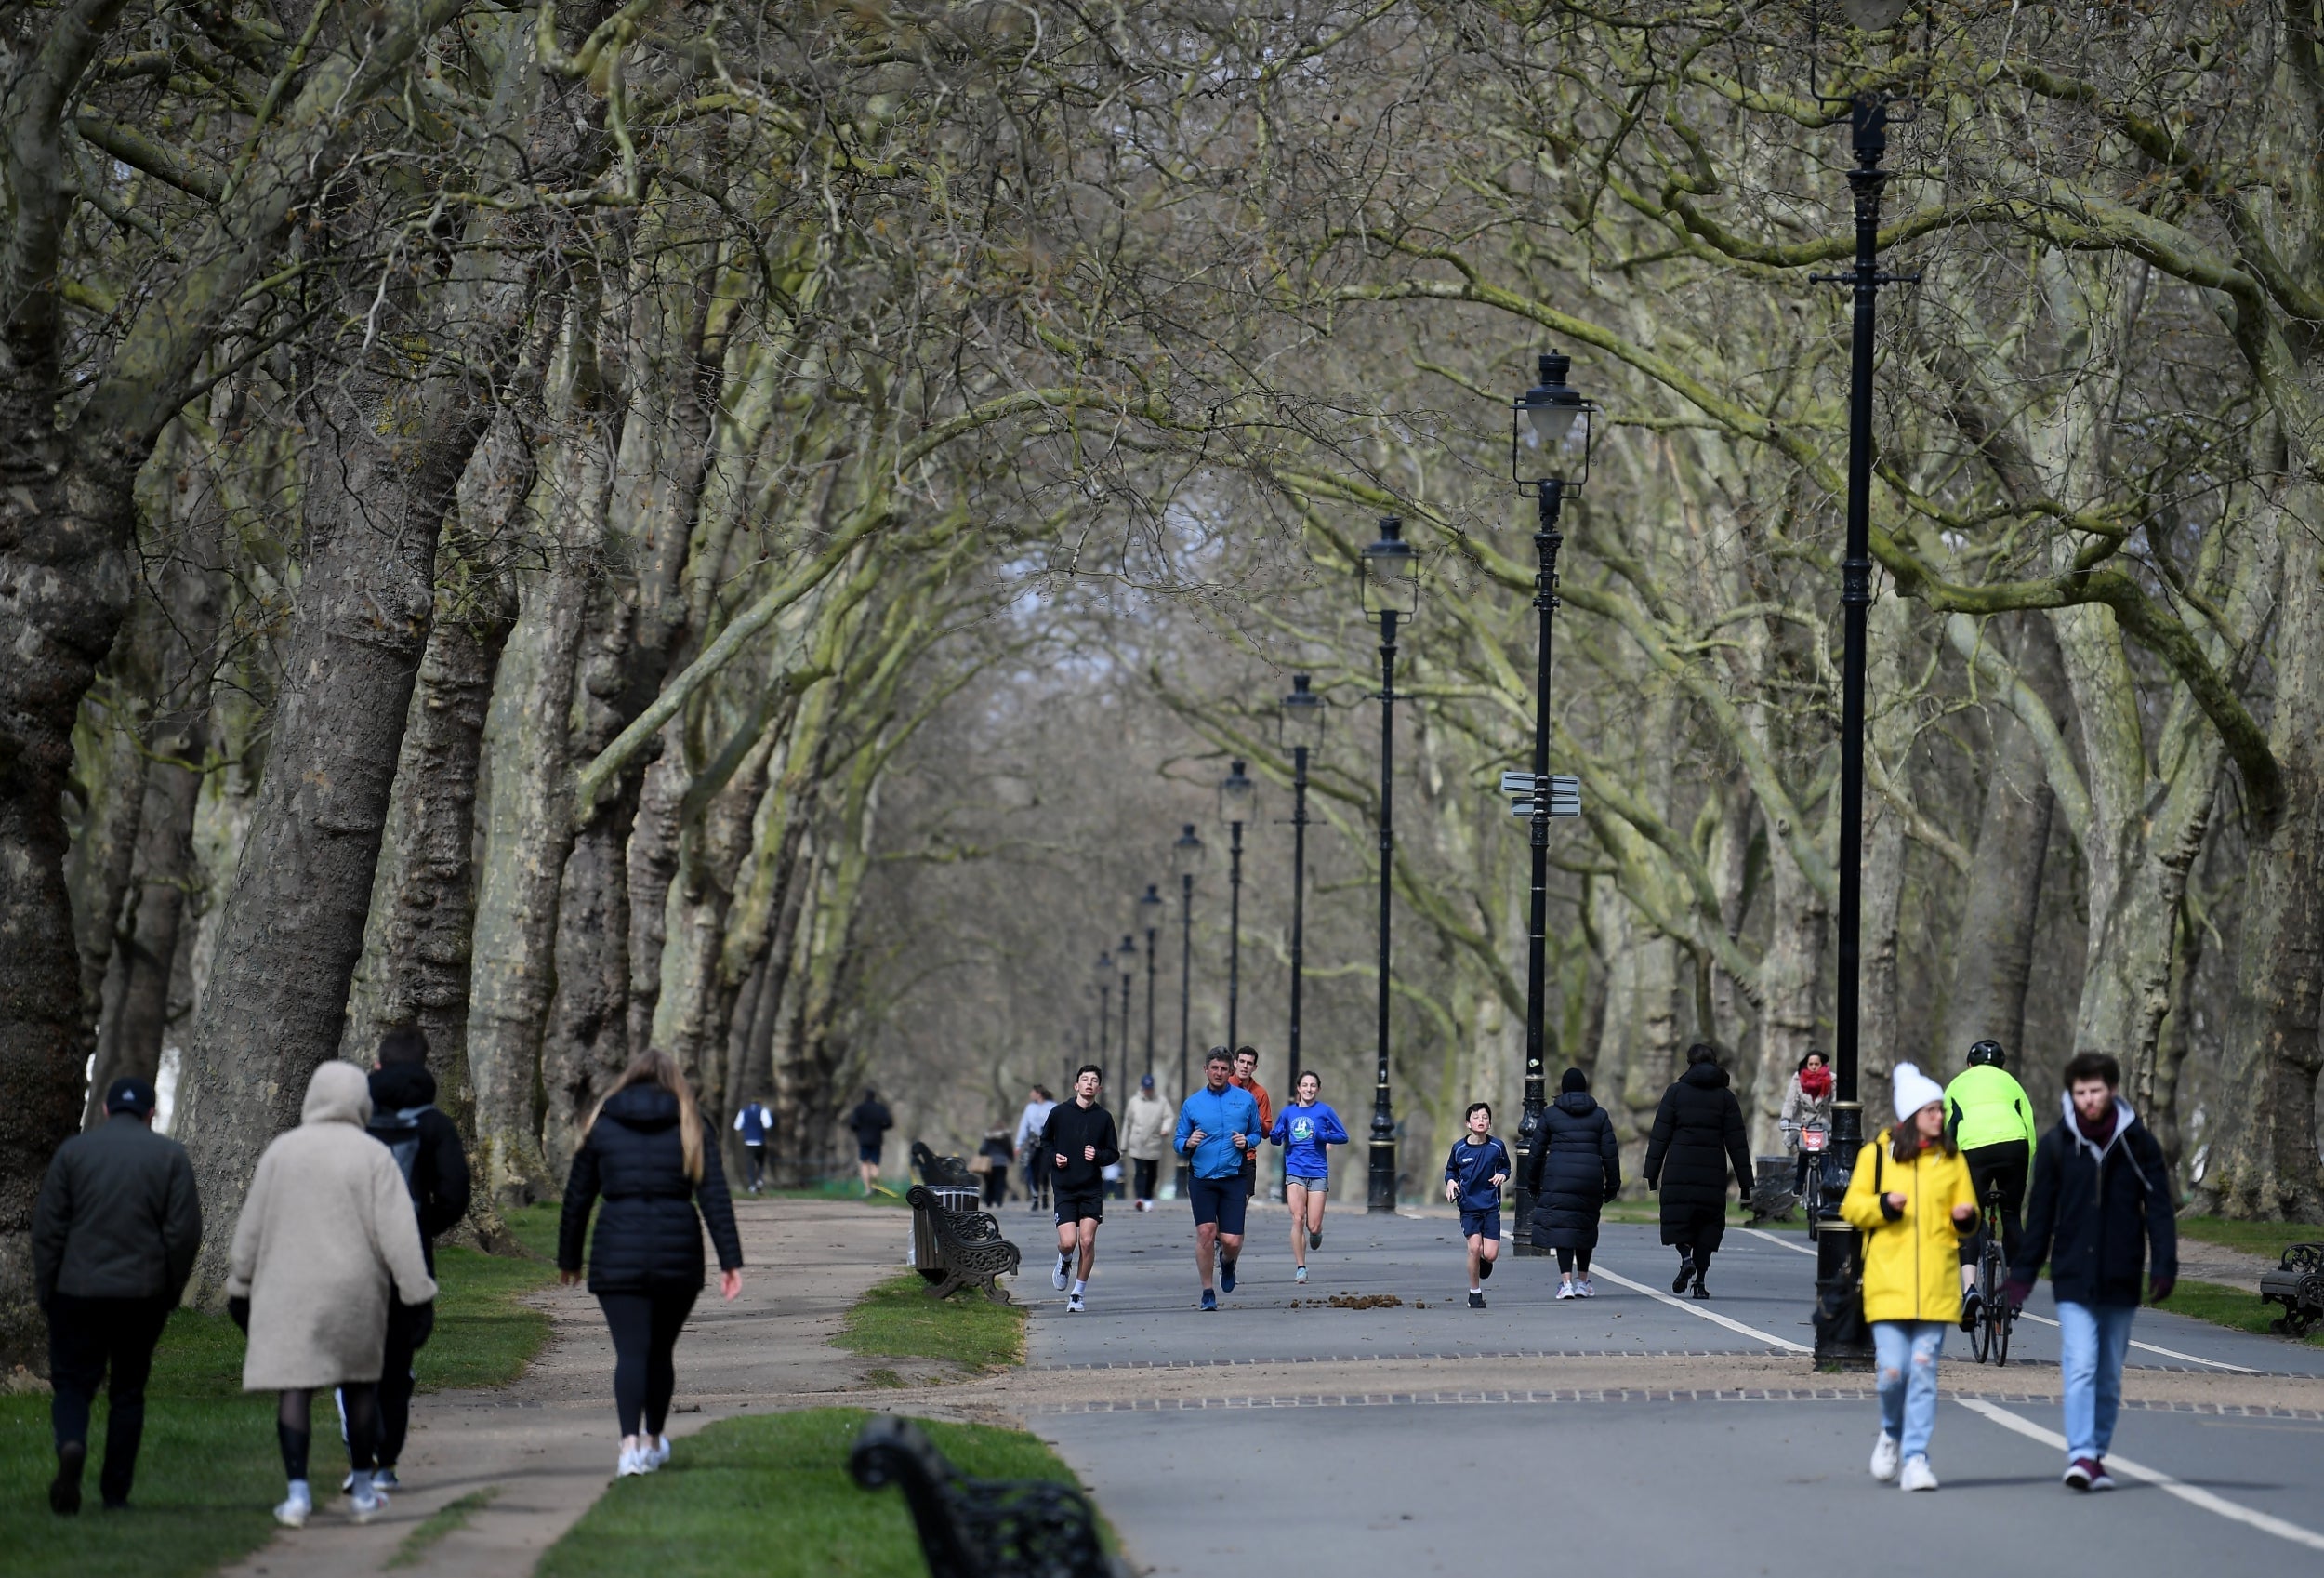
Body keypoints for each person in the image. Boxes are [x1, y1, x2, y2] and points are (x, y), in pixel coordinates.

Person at [226, 1062, 437, 1528]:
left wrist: (240, 1284)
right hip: (356, 1288)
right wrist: (417, 1294)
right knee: (361, 1384)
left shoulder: (282, 1152)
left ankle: (297, 1494)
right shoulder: (374, 1155)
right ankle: (363, 1489)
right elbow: (400, 1234)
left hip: (290, 1288)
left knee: (295, 1387)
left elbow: (252, 1227)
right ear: (360, 1101)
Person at [559, 1050, 745, 1479]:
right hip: (677, 1249)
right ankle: (654, 1440)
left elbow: (577, 1197)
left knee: (630, 1352)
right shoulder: (692, 1122)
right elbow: (714, 1195)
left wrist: (569, 1258)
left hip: (616, 1249)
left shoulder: (602, 1122)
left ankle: (628, 1447)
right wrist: (729, 1261)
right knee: (660, 1351)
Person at [2007, 1052, 2176, 1493]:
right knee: (2081, 1363)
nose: (2088, 1100)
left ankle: (2097, 1452)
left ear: (2113, 1091)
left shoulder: (2138, 1144)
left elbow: (2159, 1208)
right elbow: (2040, 1214)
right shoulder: (2057, 1145)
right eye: (2080, 1092)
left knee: (2108, 1374)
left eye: (2095, 1091)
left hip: (2120, 1273)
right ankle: (2081, 1454)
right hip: (2073, 1273)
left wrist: (2163, 1265)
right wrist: (2023, 1274)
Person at [33, 1076, 201, 1515]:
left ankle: (71, 1444)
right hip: (140, 1292)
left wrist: (48, 1286)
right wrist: (170, 1288)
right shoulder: (170, 1157)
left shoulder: (73, 1153)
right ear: (151, 1114)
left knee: (72, 1383)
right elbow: (183, 1234)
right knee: (127, 1392)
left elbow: (49, 1229)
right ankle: (115, 1494)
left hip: (77, 1289)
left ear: (105, 1110)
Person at [1841, 1063, 1978, 1493]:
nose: (1940, 1116)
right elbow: (1851, 1208)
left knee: (1922, 1371)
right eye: (1932, 1109)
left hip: (1936, 1285)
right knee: (1892, 1374)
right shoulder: (1876, 1156)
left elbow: (1968, 1219)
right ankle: (1890, 1435)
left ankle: (1917, 1457)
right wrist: (1883, 1205)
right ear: (1911, 1114)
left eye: (1941, 1109)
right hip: (1887, 1284)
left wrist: (1966, 1217)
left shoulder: (1952, 1160)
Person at [359, 1028, 471, 1493]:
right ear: (426, 1067)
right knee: (397, 1362)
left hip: (353, 1252)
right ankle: (386, 1464)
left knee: (354, 1357)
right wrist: (422, 1228)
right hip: (408, 1255)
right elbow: (455, 1196)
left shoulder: (355, 1118)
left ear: (378, 1066)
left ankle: (357, 1456)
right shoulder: (435, 1125)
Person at [1643, 1043, 1753, 1299]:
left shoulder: (1676, 1092)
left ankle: (1684, 1258)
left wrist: (1651, 1173)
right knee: (1708, 1225)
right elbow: (1737, 1143)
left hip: (1679, 1167)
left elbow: (1660, 1135)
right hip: (1712, 1170)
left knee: (1679, 1219)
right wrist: (1745, 1182)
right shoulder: (1726, 1098)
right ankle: (1700, 1283)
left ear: (1689, 1063)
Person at [1945, 1040, 2038, 1331]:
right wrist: (2024, 1164)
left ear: (1969, 1065)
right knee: (2011, 1214)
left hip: (1974, 1149)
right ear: (2001, 1066)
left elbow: (1948, 1130)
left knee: (1969, 1219)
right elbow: (2029, 1130)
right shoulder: (2012, 1083)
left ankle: (1970, 1289)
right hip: (2015, 1147)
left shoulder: (1957, 1084)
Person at [1523, 1067, 1619, 1300]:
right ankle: (1583, 1282)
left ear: (1563, 1089)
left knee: (1563, 1228)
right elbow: (1610, 1153)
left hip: (1558, 1177)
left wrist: (1532, 1182)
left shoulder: (1551, 1114)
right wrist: (1613, 1185)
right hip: (1590, 1178)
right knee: (1584, 1226)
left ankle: (1566, 1282)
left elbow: (1536, 1151)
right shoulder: (1600, 1115)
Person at [1175, 1049, 1261, 1311]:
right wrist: (1187, 1143)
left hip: (1234, 1176)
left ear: (1230, 1071)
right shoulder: (1193, 1104)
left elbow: (1257, 1133)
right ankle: (1207, 1292)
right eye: (1214, 1068)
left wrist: (1246, 1141)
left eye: (1224, 1069)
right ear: (1206, 1070)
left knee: (1232, 1240)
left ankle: (1227, 1261)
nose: (1219, 1073)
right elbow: (1178, 1141)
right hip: (1201, 1178)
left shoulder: (1245, 1100)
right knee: (1205, 1232)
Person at [1038, 1064, 1120, 1313]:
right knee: (1068, 1242)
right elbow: (1044, 1142)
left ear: (1100, 1088)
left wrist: (1097, 1155)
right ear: (1076, 1085)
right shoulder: (1059, 1113)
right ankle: (1064, 1260)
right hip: (1065, 1187)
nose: (1089, 1083)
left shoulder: (1103, 1118)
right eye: (1085, 1079)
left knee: (1086, 1241)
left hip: (1091, 1189)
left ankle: (1077, 1294)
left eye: (1094, 1080)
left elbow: (1113, 1153)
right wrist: (1055, 1158)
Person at [1269, 1070, 1349, 1284]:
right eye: (1305, 1085)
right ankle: (1301, 1267)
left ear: (1318, 1089)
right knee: (1297, 1218)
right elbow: (1276, 1137)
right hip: (1294, 1169)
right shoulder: (1288, 1113)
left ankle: (1317, 1232)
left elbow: (1343, 1136)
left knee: (1312, 1225)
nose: (1309, 1089)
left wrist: (1323, 1136)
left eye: (1313, 1086)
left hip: (1317, 1172)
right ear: (1298, 1088)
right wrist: (1276, 1136)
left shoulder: (1325, 1111)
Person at [1444, 1103, 1511, 1308]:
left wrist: (1503, 1174)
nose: (1480, 1120)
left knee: (1489, 1254)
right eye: (1476, 1117)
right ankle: (1475, 1293)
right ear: (1468, 1123)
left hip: (1490, 1206)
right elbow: (1450, 1171)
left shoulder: (1497, 1147)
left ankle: (1483, 1261)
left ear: (1490, 1123)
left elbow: (1506, 1166)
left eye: (1484, 1117)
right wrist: (1451, 1182)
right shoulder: (1459, 1148)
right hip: (1469, 1207)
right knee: (1474, 1248)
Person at [1779, 1051, 1835, 1198]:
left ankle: (1826, 1189)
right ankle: (1799, 1183)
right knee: (1803, 1152)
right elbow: (1791, 1101)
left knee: (1825, 1155)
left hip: (1824, 1123)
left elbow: (1835, 1102)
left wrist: (1836, 1122)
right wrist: (1786, 1118)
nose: (1814, 1067)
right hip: (1805, 1124)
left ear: (1822, 1064)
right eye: (1811, 1064)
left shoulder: (1831, 1079)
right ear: (1806, 1064)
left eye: (1817, 1064)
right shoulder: (1798, 1079)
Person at [1121, 1074, 1171, 1211]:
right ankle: (1140, 1198)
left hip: (1153, 1142)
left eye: (1150, 1088)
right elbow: (1128, 1122)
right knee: (1139, 1171)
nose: (1148, 1091)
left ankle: (1148, 1198)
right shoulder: (1134, 1102)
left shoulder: (1161, 1102)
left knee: (1152, 1173)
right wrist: (1123, 1145)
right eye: (1146, 1088)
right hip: (1137, 1142)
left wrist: (1165, 1129)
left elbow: (1168, 1117)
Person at [1230, 1046, 1274, 1200]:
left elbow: (1267, 1131)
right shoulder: (1223, 1086)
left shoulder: (1260, 1093)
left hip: (1248, 1157)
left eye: (1249, 1063)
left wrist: (1257, 1118)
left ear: (1254, 1067)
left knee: (1239, 1209)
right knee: (1219, 1215)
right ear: (1235, 1063)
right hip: (1223, 1157)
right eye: (1241, 1061)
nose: (1244, 1066)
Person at [1014, 1085, 1056, 1214]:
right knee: (1032, 1171)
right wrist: (1018, 1144)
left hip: (1047, 1143)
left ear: (1039, 1093)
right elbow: (1024, 1126)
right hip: (1033, 1143)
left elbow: (1058, 1124)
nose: (1030, 1094)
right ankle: (1035, 1198)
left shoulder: (1052, 1106)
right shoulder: (1030, 1108)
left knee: (1044, 1171)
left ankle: (1044, 1194)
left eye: (1032, 1092)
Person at [845, 1088, 893, 1196]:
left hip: (863, 1139)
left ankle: (868, 1189)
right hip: (876, 1138)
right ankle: (876, 1186)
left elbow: (853, 1124)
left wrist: (860, 1131)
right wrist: (881, 1127)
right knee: (875, 1163)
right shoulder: (880, 1109)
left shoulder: (859, 1109)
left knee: (864, 1163)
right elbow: (889, 1123)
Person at [733, 1094, 775, 1194]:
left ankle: (752, 1185)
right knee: (760, 1162)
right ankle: (759, 1180)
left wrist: (747, 1129)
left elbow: (737, 1126)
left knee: (750, 1164)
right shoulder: (763, 1111)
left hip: (748, 1141)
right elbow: (768, 1124)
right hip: (760, 1141)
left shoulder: (744, 1111)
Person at [976, 1128, 1015, 1207]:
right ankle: (998, 1201)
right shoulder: (1006, 1139)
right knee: (1000, 1183)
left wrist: (983, 1156)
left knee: (989, 1183)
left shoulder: (988, 1139)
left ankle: (988, 1201)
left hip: (989, 1163)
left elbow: (982, 1150)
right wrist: (1011, 1159)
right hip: (1001, 1163)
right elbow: (1009, 1150)